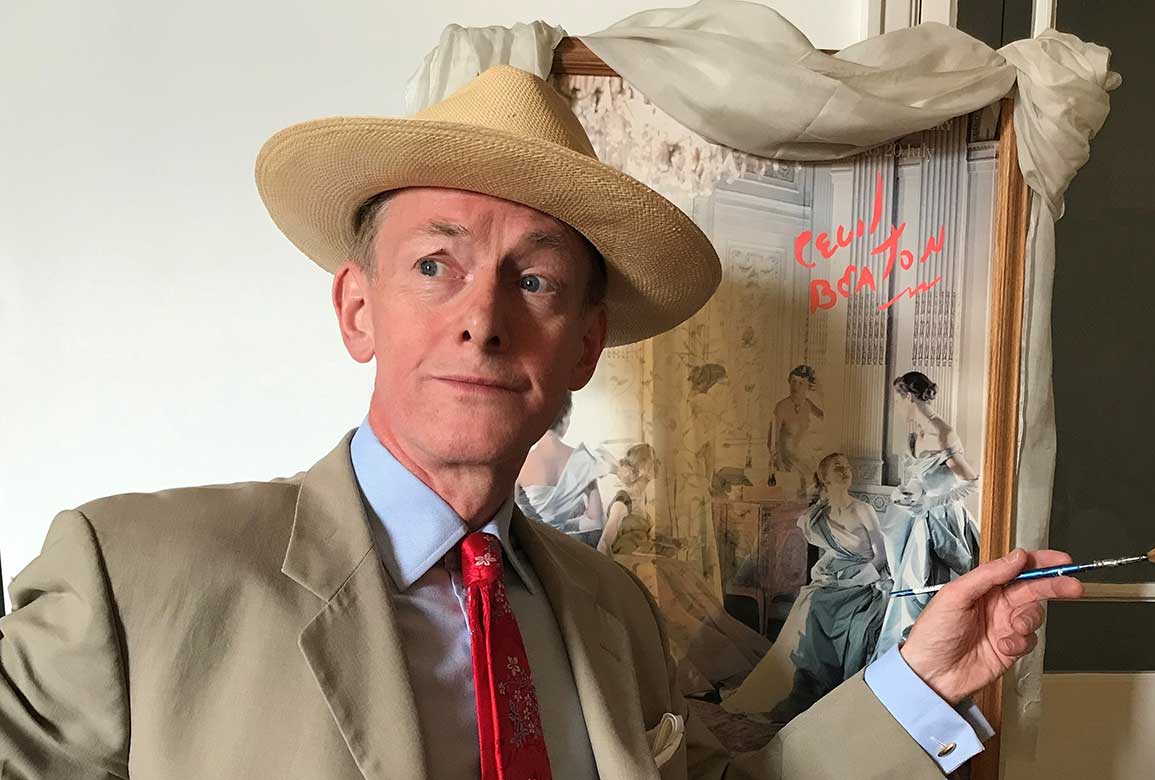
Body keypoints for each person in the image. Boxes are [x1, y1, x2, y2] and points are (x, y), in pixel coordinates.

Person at [0, 65, 1081, 779]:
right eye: (436, 265)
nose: (482, 319)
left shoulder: (611, 607)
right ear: (358, 309)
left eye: (535, 281)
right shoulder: (131, 578)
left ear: (584, 346)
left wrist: (920, 682)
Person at [721, 453, 889, 720]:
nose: (845, 470)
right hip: (831, 579)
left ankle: (825, 687)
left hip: (863, 580)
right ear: (824, 477)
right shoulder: (818, 515)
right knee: (808, 604)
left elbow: (881, 556)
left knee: (827, 609)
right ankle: (797, 685)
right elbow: (828, 553)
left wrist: (855, 579)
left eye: (847, 466)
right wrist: (826, 575)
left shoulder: (862, 510)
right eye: (838, 467)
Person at [874, 371, 983, 661]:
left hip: (944, 521)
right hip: (919, 520)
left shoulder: (942, 433)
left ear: (909, 398)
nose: (897, 406)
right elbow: (921, 480)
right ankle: (908, 656)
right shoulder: (917, 435)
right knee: (909, 587)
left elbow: (972, 482)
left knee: (926, 587)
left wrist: (932, 502)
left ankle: (936, 653)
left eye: (898, 399)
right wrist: (903, 494)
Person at [516, 391, 606, 545]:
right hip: (568, 548)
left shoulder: (520, 461)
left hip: (533, 548)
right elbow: (596, 520)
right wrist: (562, 526)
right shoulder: (583, 460)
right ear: (565, 418)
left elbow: (513, 519)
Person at [767, 365, 826, 499]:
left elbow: (827, 419)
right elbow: (772, 441)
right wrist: (780, 467)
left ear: (808, 386)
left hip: (807, 463)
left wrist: (821, 393)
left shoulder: (808, 405)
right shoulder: (781, 407)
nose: (796, 386)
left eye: (801, 383)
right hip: (786, 464)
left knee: (812, 496)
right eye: (793, 381)